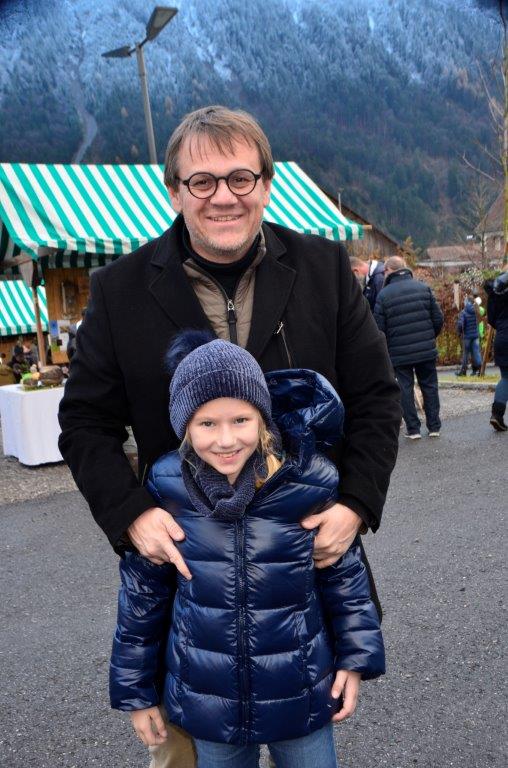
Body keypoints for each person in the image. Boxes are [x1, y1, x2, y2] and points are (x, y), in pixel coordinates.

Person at [58, 106, 400, 765]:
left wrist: (355, 504)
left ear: (266, 184)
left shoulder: (324, 268)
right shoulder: (120, 288)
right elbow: (84, 423)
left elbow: (377, 399)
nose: (223, 196)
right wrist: (130, 515)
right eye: (202, 181)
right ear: (174, 191)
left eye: (241, 178)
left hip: (299, 580)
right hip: (192, 600)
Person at [110, 333, 385, 768]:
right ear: (184, 426)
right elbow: (142, 598)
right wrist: (136, 693)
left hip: (300, 694)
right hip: (207, 702)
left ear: (262, 417)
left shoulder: (308, 480)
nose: (225, 439)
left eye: (240, 419)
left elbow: (345, 579)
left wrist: (355, 660)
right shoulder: (166, 487)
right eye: (207, 424)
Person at [374, 255, 443, 439]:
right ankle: (434, 427)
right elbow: (438, 319)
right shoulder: (423, 288)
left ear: (389, 270)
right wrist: (429, 337)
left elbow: (379, 328)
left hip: (399, 352)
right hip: (426, 349)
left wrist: (388, 347)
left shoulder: (383, 295)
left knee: (405, 389)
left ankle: (413, 430)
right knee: (430, 386)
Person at [484, 267, 508, 431]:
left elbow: (491, 319)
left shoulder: (495, 290)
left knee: (506, 378)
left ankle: (497, 415)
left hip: (502, 338)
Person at [455, 296, 482, 376]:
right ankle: (479, 370)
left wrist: (459, 332)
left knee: (466, 354)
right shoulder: (475, 310)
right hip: (475, 335)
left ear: (466, 303)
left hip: (467, 336)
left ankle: (463, 371)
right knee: (476, 353)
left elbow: (460, 324)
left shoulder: (464, 312)